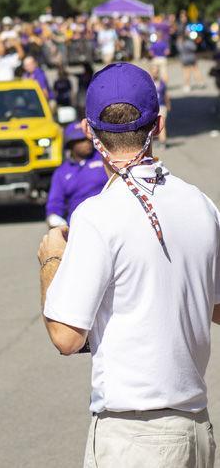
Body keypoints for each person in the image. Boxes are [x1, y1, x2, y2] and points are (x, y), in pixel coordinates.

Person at [38, 63, 220, 467]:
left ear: (89, 129)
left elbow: (66, 336)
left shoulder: (98, 215)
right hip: (196, 428)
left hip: (134, 434)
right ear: (157, 123)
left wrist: (51, 258)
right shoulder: (201, 205)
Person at [46, 122, 107, 229]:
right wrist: (55, 218)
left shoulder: (104, 159)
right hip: (79, 225)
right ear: (70, 144)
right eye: (81, 140)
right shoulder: (61, 172)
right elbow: (55, 203)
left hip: (107, 217)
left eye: (88, 139)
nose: (87, 143)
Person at [151, 62, 171, 148]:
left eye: (157, 71)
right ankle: (156, 140)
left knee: (161, 124)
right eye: (154, 71)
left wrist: (168, 104)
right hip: (152, 108)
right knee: (153, 126)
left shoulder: (162, 82)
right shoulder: (148, 82)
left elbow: (165, 94)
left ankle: (163, 141)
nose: (155, 73)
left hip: (161, 106)